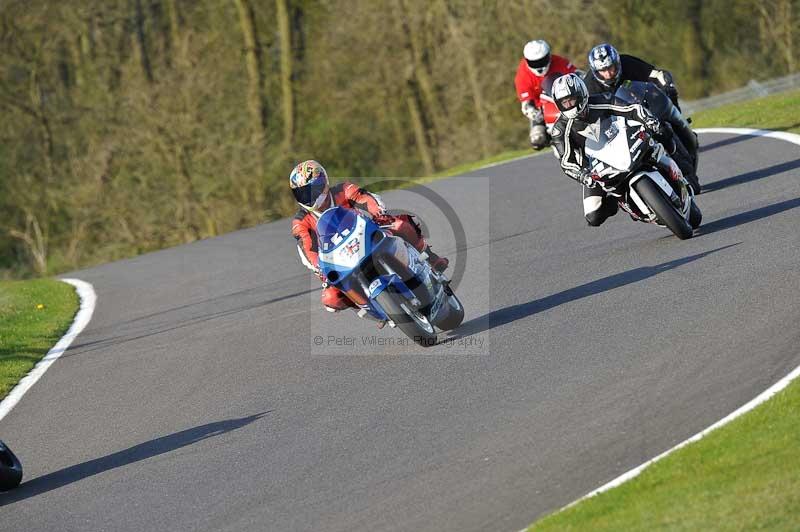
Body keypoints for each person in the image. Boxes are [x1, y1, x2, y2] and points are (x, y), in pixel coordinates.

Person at [289, 160, 449, 320]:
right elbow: (307, 249)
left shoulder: (343, 190)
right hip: (339, 259)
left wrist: (379, 214)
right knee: (331, 298)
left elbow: (366, 198)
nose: (309, 197)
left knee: (400, 225)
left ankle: (430, 258)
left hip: (367, 235)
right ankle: (371, 308)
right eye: (302, 193)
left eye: (312, 190)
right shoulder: (301, 221)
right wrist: (319, 267)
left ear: (323, 183)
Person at [549, 73, 686, 227]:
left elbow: (631, 108)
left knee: (661, 130)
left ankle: (675, 163)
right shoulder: (560, 130)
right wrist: (583, 175)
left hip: (623, 143)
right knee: (593, 216)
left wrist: (649, 120)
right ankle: (620, 200)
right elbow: (566, 161)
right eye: (564, 102)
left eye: (571, 99)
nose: (569, 105)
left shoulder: (602, 100)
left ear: (581, 94)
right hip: (596, 169)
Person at [583, 43, 699, 189]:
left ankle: (686, 164)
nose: (608, 73)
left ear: (617, 62)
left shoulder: (627, 62)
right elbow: (587, 115)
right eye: (602, 71)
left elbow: (655, 74)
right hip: (617, 124)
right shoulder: (589, 86)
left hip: (643, 108)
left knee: (665, 125)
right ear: (595, 71)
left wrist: (666, 84)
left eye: (610, 68)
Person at [514, 39, 577, 149]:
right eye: (534, 63)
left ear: (549, 56)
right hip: (540, 111)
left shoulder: (560, 62)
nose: (539, 66)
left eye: (542, 61)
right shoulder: (522, 74)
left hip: (566, 102)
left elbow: (577, 76)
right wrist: (536, 114)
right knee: (537, 141)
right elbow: (526, 104)